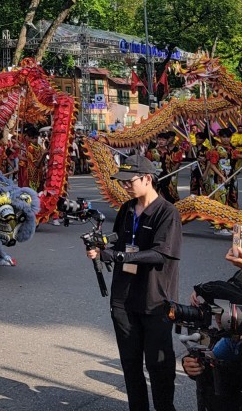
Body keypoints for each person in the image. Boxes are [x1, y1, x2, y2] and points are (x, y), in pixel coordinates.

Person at [86, 154, 182, 411]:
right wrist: (100, 245)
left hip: (155, 300)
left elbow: (160, 253)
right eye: (123, 182)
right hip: (123, 299)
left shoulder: (167, 212)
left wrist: (118, 255)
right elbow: (118, 241)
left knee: (158, 365)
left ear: (148, 179)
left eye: (130, 181)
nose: (125, 186)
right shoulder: (127, 209)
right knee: (130, 363)